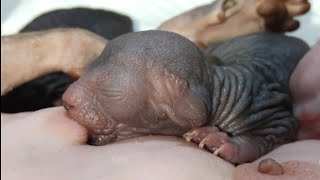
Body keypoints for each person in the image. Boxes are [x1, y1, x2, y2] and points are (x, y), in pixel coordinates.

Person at [1, 32, 319, 179]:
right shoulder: (184, 91)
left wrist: (241, 146)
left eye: (109, 94)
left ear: (183, 106)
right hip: (234, 48)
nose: (72, 95)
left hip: (273, 53)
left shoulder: (248, 108)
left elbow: (280, 127)